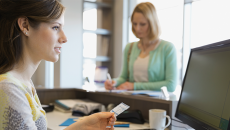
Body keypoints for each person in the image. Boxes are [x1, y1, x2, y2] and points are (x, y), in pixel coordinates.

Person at [0, 0, 115, 129]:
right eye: (55, 27)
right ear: (25, 25)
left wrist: (83, 126)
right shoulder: (9, 89)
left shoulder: (24, 83)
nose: (64, 38)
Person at [104, 2, 177, 92]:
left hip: (157, 103)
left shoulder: (167, 48)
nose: (137, 28)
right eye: (134, 24)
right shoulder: (129, 48)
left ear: (152, 23)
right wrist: (114, 82)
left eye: (142, 24)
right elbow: (123, 78)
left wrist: (134, 86)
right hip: (133, 100)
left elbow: (171, 85)